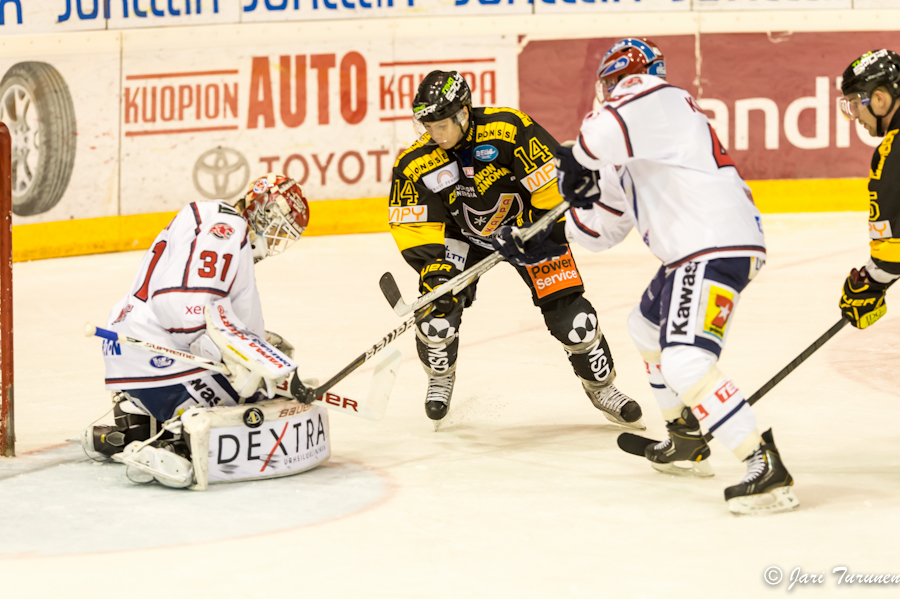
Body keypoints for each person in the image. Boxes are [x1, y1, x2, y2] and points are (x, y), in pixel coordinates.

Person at [527, 40, 798, 514]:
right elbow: (602, 229)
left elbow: (595, 138)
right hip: (693, 254)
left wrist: (573, 161)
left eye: (613, 83)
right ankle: (685, 437)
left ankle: (764, 465)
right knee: (644, 326)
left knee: (687, 363)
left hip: (714, 246)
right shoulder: (630, 141)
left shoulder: (657, 97)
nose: (611, 91)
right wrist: (548, 230)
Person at [388, 70, 642, 429]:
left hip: (527, 230)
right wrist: (434, 268)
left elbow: (552, 189)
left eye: (441, 124)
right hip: (461, 239)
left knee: (577, 323)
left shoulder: (509, 129)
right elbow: (414, 223)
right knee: (436, 317)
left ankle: (603, 388)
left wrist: (536, 232)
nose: (434, 134)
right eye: (428, 126)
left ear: (463, 113)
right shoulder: (416, 161)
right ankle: (440, 377)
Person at [82, 174, 310, 476]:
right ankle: (178, 444)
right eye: (276, 224)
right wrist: (235, 357)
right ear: (259, 208)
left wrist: (256, 345)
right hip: (160, 357)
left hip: (132, 349)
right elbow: (183, 307)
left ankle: (133, 429)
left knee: (259, 381)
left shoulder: (212, 222)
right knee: (263, 403)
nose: (276, 237)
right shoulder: (227, 227)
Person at [837, 49, 900, 328]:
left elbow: (892, 252)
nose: (854, 116)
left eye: (854, 104)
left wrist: (870, 283)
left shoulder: (892, 151)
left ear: (879, 99)